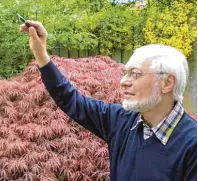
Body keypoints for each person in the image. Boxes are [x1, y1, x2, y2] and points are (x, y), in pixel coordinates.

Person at [20, 21, 197, 181]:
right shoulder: (121, 120)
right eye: (125, 73)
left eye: (135, 74)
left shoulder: (192, 145)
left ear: (167, 83)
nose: (124, 81)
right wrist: (40, 53)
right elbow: (70, 99)